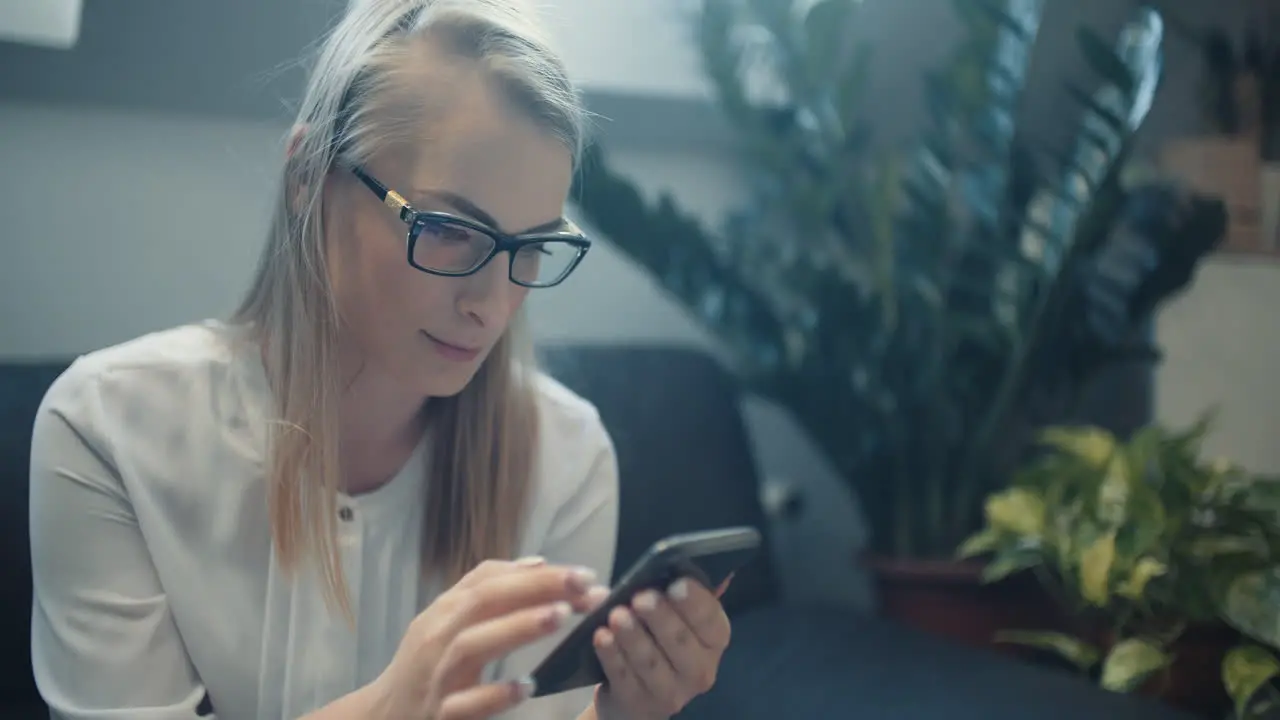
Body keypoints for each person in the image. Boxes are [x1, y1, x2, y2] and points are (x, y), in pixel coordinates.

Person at [27, 1, 733, 718]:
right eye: (450, 229)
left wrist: (618, 714)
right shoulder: (109, 431)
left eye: (533, 248)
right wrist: (395, 704)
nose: (490, 304)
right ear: (308, 176)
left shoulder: (568, 457)